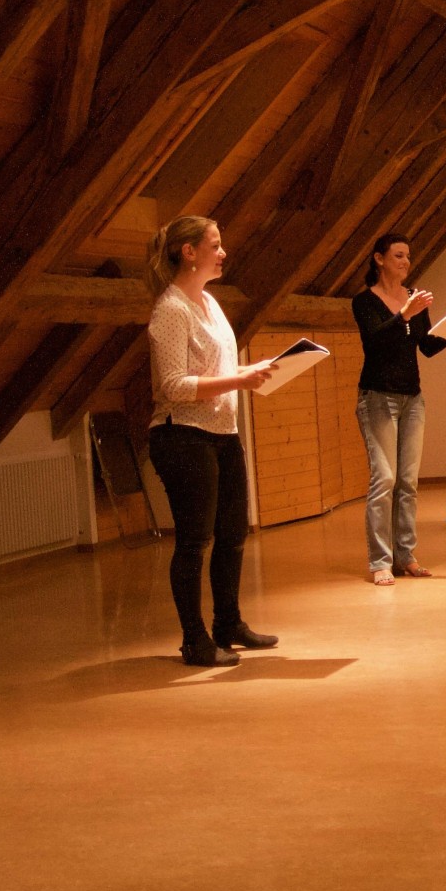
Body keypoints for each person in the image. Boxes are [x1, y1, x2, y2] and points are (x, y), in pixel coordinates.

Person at [146, 215, 280, 667]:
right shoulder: (171, 309)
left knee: (232, 534)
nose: (223, 253)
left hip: (223, 433)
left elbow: (217, 370)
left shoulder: (210, 303)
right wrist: (238, 382)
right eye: (215, 245)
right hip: (182, 435)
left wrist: (250, 371)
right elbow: (173, 385)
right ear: (189, 252)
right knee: (194, 540)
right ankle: (194, 639)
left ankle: (228, 623)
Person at [353, 233, 446, 585]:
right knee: (384, 478)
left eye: (408, 256)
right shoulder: (364, 301)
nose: (405, 262)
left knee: (408, 481)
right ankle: (380, 561)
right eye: (398, 255)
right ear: (379, 259)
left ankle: (406, 556)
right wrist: (404, 313)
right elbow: (376, 343)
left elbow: (425, 347)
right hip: (378, 397)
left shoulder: (414, 299)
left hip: (411, 398)